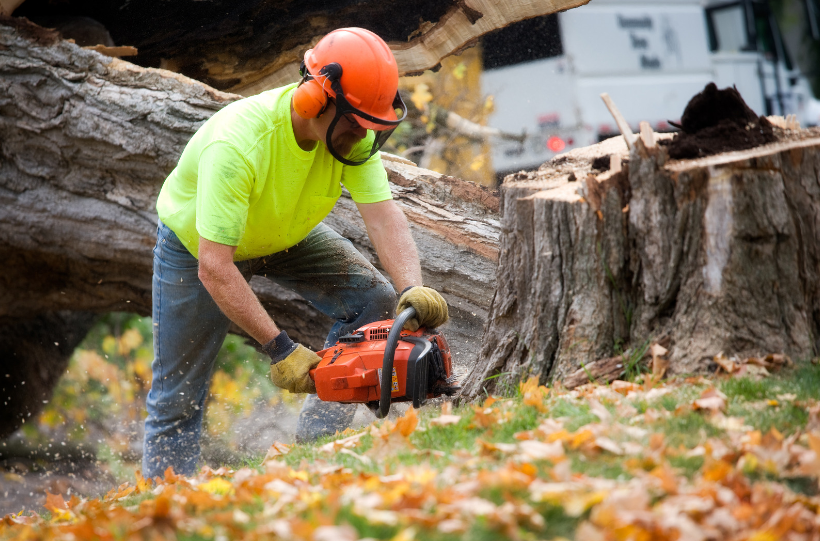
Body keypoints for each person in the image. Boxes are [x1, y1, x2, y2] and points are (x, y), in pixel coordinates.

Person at [142, 27, 449, 478]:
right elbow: (215, 267)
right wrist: (281, 349)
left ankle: (317, 453)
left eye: (371, 125)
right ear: (314, 100)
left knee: (375, 300)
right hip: (199, 250)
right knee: (177, 398)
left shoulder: (353, 136)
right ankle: (163, 507)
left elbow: (384, 217)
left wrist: (412, 288)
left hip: (284, 235)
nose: (363, 136)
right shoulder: (238, 146)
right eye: (355, 123)